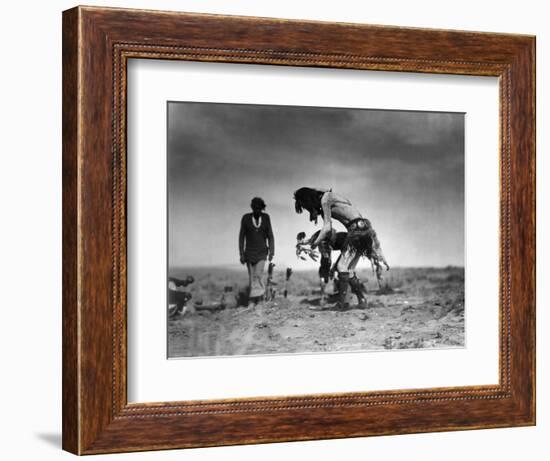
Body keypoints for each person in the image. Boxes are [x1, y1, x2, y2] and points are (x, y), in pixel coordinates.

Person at [294, 187, 389, 308]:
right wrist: (308, 241)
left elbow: (327, 228)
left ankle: (342, 304)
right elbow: (328, 231)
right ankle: (362, 300)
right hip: (363, 229)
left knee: (341, 267)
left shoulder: (325, 199)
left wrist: (314, 244)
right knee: (348, 271)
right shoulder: (332, 198)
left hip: (356, 230)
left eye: (306, 206)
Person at [239, 197, 275, 305]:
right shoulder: (246, 218)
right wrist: (241, 253)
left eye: (259, 208)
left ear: (262, 209)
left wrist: (272, 251)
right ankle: (254, 299)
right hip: (249, 253)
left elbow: (270, 235)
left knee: (258, 275)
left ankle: (258, 300)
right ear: (252, 208)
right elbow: (241, 237)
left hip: (262, 252)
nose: (257, 210)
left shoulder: (266, 218)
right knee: (251, 277)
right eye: (255, 208)